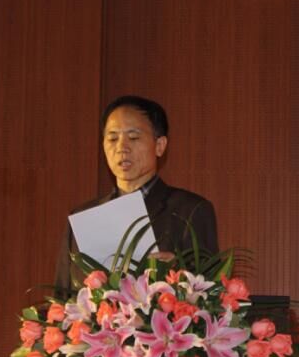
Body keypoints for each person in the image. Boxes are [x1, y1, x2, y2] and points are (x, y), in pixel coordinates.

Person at [54, 95, 219, 296]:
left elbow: (211, 294)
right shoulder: (83, 217)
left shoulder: (190, 210)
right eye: (112, 138)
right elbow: (62, 298)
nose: (121, 148)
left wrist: (178, 272)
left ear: (159, 145)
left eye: (133, 138)